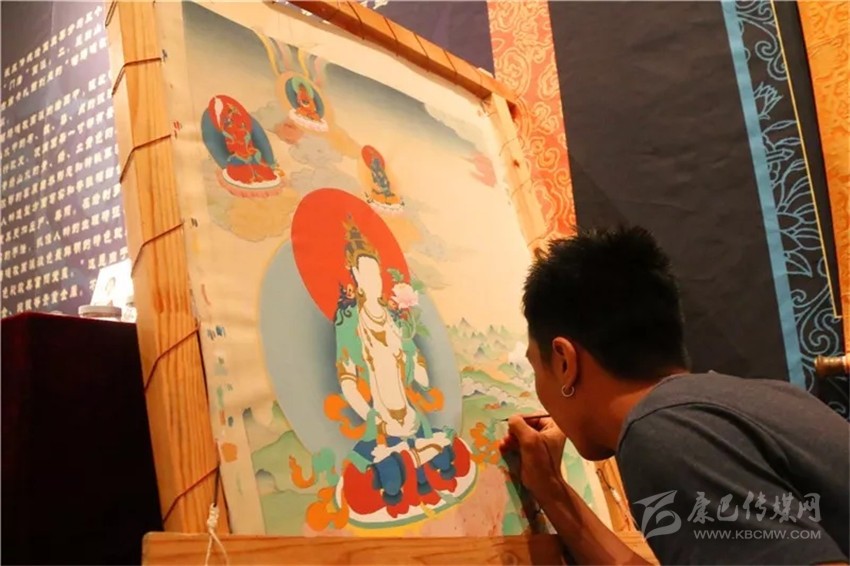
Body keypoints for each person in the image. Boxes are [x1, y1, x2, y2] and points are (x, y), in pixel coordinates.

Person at [501, 225, 849, 565]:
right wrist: (553, 492)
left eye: (536, 367)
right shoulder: (766, 401)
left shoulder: (661, 433)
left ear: (564, 362)